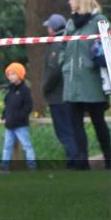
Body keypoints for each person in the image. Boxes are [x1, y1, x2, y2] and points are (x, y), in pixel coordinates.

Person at [60, 0, 111, 170]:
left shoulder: (99, 21)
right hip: (72, 81)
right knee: (75, 124)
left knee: (99, 122)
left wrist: (97, 57)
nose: (69, 2)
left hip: (93, 82)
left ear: (80, 0)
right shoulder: (70, 24)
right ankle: (82, 162)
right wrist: (63, 63)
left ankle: (108, 160)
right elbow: (63, 47)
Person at [41, 14, 77, 167]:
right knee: (71, 129)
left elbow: (54, 70)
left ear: (53, 28)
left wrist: (45, 88)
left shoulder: (57, 45)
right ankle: (76, 160)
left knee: (64, 131)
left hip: (58, 96)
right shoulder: (69, 40)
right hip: (69, 94)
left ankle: (74, 161)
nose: (47, 29)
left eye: (49, 26)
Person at [0, 62, 37, 172]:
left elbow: (28, 107)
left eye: (13, 74)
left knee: (26, 145)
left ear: (20, 75)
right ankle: (4, 167)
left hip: (20, 125)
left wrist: (19, 117)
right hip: (9, 125)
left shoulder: (25, 90)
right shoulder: (10, 90)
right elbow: (7, 105)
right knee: (7, 146)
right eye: (9, 74)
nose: (11, 77)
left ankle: (31, 166)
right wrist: (4, 116)